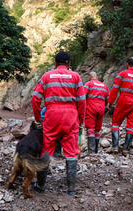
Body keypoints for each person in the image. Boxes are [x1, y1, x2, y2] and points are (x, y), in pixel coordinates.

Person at [31, 51, 86, 195]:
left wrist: (38, 118)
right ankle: (71, 189)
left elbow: (35, 99)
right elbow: (82, 101)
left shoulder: (47, 76)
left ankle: (41, 186)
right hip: (71, 116)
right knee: (71, 151)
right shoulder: (76, 77)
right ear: (68, 64)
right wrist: (81, 121)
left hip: (52, 116)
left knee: (47, 149)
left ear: (55, 63)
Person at [107, 57, 133, 156]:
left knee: (116, 123)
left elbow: (115, 89)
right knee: (131, 126)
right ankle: (125, 149)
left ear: (127, 64)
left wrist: (110, 102)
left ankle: (115, 146)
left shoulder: (122, 74)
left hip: (123, 101)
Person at [84, 71, 109, 154]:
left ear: (90, 76)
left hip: (91, 107)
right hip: (101, 108)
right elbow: (108, 99)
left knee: (91, 129)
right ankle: (96, 151)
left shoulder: (88, 84)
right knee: (97, 130)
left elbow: (83, 96)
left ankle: (91, 152)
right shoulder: (104, 86)